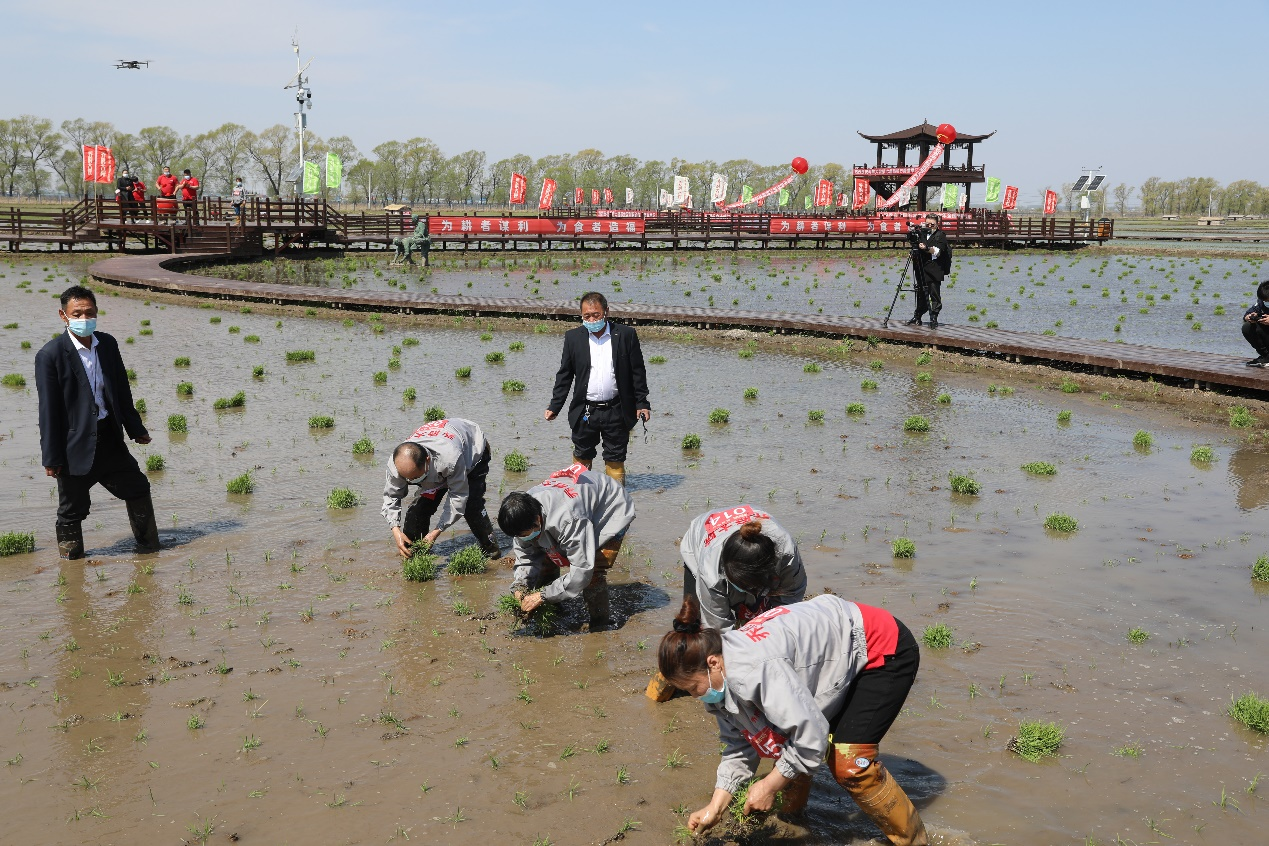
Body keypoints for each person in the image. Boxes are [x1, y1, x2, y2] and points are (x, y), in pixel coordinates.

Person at [658, 594, 926, 845]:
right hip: (834, 652)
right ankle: (793, 821)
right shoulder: (721, 677)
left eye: (694, 688)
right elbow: (739, 745)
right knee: (783, 743)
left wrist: (770, 785)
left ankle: (912, 841)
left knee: (849, 763)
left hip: (878, 646)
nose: (695, 696)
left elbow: (810, 736)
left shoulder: (755, 669)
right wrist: (714, 807)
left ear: (713, 663)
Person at [35, 285, 159, 559]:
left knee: (138, 487)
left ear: (97, 313)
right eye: (76, 314)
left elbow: (120, 391)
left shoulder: (108, 345)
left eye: (88, 313)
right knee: (71, 511)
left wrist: (136, 429)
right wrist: (51, 458)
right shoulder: (50, 355)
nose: (83, 319)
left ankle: (149, 548)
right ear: (63, 316)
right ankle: (72, 566)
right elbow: (48, 412)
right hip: (74, 448)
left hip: (110, 440)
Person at [647, 507, 807, 702]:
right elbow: (720, 632)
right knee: (691, 625)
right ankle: (671, 676)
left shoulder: (786, 556)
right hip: (701, 542)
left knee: (765, 622)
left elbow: (788, 608)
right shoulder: (711, 572)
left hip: (761, 553)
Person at [498, 463, 635, 630]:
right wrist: (521, 586)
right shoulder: (520, 516)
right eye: (518, 536)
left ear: (537, 520)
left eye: (525, 534)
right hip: (578, 504)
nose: (522, 539)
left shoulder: (569, 519)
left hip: (611, 508)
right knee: (545, 560)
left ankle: (600, 625)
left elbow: (582, 570)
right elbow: (526, 557)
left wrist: (542, 595)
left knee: (594, 572)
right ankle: (554, 610)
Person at [545, 292, 651, 486]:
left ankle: (616, 498)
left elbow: (637, 372)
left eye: (596, 315)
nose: (592, 320)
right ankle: (581, 495)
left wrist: (642, 402)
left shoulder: (626, 335)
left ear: (606, 312)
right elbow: (565, 374)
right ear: (581, 316)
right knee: (582, 454)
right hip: (586, 410)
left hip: (616, 409)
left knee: (616, 456)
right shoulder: (573, 338)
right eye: (587, 316)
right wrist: (555, 405)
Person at [381, 417, 501, 560]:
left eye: (415, 477)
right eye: (407, 478)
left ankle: (491, 549)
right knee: (418, 510)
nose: (411, 481)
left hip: (471, 452)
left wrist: (436, 532)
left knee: (471, 506)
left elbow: (458, 497)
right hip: (436, 460)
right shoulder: (397, 464)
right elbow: (391, 496)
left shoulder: (450, 458)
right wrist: (396, 530)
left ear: (427, 461)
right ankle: (414, 556)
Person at [905, 213, 951, 330]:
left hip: (934, 269)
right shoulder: (922, 233)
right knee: (920, 293)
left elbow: (937, 252)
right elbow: (914, 242)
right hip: (921, 268)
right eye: (927, 223)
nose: (930, 226)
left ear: (937, 224)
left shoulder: (941, 236)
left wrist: (926, 248)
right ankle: (918, 316)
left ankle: (934, 317)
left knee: (934, 294)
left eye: (932, 224)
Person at [1241, 281, 1269, 366]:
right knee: (1247, 327)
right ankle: (1266, 356)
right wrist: (1250, 317)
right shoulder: (1261, 303)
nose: (1266, 303)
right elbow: (1247, 314)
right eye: (1265, 301)